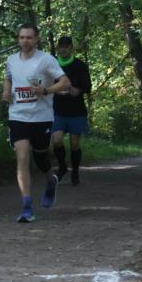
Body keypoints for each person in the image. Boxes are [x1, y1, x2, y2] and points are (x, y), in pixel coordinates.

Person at [2, 23, 71, 223]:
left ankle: (51, 180)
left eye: (29, 37)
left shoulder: (46, 60)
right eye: (22, 37)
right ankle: (27, 206)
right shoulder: (11, 60)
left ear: (36, 39)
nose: (25, 41)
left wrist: (46, 91)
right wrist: (6, 92)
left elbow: (65, 82)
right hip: (18, 116)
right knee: (22, 156)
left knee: (41, 158)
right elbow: (8, 78)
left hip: (41, 117)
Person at [51, 36, 92, 186]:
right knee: (56, 140)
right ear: (58, 48)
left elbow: (88, 86)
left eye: (67, 46)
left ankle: (75, 171)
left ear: (71, 48)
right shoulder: (52, 64)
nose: (64, 49)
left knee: (75, 143)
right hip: (58, 109)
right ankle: (62, 167)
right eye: (61, 46)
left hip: (76, 110)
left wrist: (78, 90)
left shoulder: (80, 65)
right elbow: (44, 82)